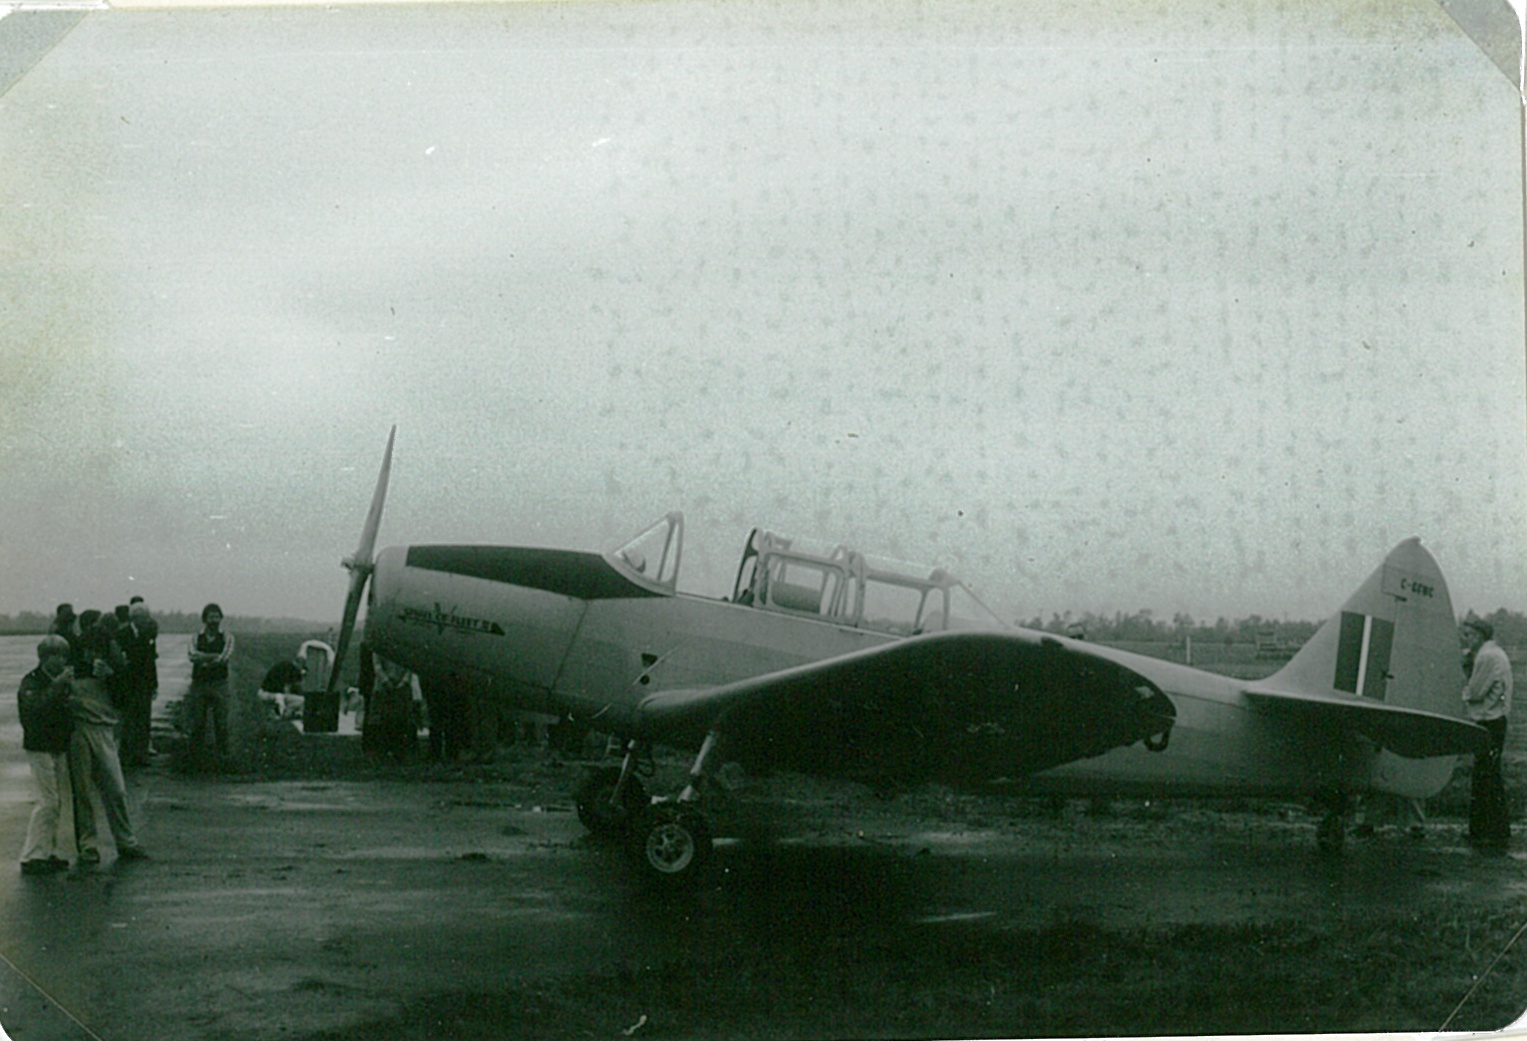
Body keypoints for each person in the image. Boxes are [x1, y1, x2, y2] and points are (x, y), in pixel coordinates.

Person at [67, 616, 149, 864]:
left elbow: (125, 700)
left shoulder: (115, 667)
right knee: (82, 792)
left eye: (97, 650)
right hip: (79, 730)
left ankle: (126, 841)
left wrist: (112, 676)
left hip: (104, 730)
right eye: (89, 650)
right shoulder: (72, 667)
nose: (92, 655)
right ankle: (88, 845)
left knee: (116, 789)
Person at [18, 635, 76, 875]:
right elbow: (35, 708)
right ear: (44, 658)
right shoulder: (31, 682)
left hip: (56, 746)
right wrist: (57, 687)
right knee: (47, 801)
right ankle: (32, 855)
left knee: (55, 802)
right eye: (56, 656)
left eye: (63, 656)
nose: (61, 661)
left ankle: (46, 850)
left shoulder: (55, 682)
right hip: (39, 746)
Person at [1461, 618, 1513, 854]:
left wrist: (1465, 687)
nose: (1467, 639)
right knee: (1490, 774)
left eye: (1470, 635)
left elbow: (1475, 692)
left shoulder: (1486, 657)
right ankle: (1494, 831)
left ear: (1481, 635)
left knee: (1484, 775)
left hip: (1488, 721)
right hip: (1497, 720)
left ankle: (1484, 832)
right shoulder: (1496, 654)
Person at [185, 603, 235, 770]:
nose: (214, 620)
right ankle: (195, 758)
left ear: (221, 618)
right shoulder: (195, 636)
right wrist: (213, 657)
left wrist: (204, 660)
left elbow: (225, 657)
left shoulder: (227, 636)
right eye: (211, 617)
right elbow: (192, 655)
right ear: (204, 619)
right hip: (199, 684)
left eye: (217, 617)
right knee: (198, 721)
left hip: (219, 684)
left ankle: (223, 757)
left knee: (221, 722)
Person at [117, 600, 160, 766]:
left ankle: (141, 755)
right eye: (144, 618)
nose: (147, 621)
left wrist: (154, 684)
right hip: (128, 684)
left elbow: (151, 661)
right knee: (128, 720)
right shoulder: (122, 634)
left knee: (144, 720)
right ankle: (127, 755)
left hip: (144, 684)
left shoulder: (148, 635)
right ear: (135, 618)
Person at [259, 656, 306, 720]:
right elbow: (287, 689)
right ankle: (280, 714)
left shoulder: (287, 667)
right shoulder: (289, 669)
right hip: (269, 694)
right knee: (281, 698)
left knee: (300, 701)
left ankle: (287, 713)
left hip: (268, 693)